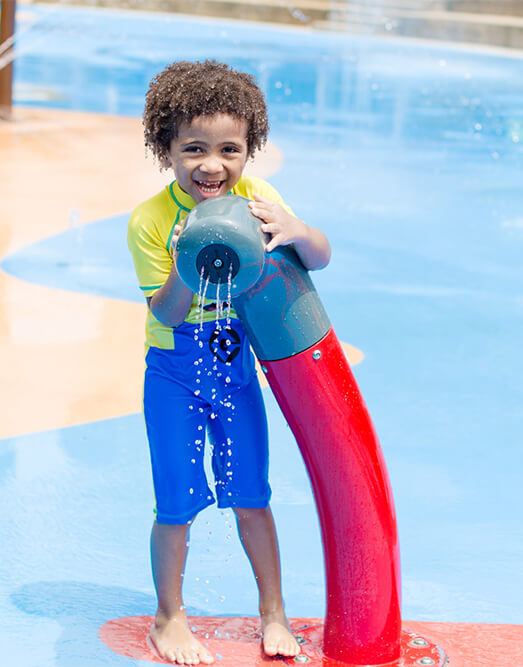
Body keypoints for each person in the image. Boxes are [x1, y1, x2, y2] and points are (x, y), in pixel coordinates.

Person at [126, 60, 331, 666]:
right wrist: (192, 250)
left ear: (250, 151)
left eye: (229, 149)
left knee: (251, 494)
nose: (211, 165)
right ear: (165, 149)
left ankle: (274, 613)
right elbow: (164, 312)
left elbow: (318, 257)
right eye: (193, 148)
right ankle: (170, 618)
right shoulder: (150, 221)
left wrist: (294, 229)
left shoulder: (257, 197)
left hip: (234, 366)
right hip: (173, 371)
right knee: (176, 503)